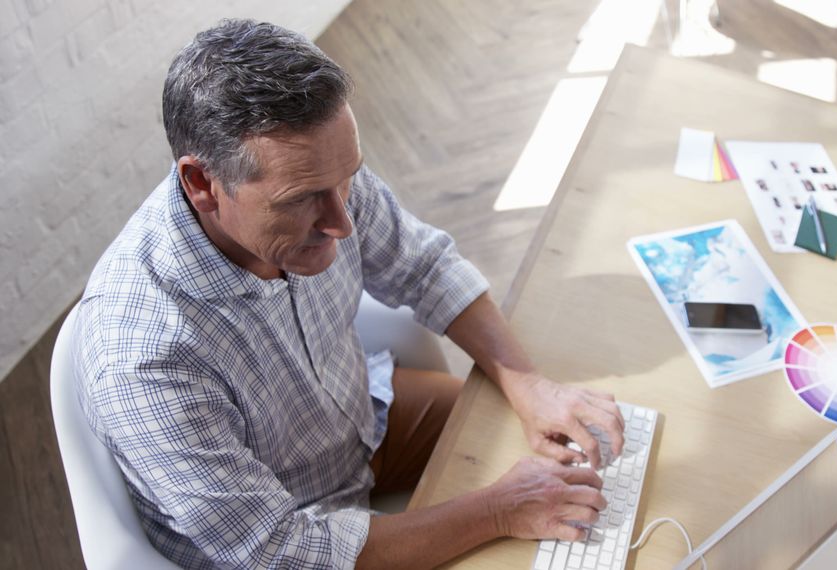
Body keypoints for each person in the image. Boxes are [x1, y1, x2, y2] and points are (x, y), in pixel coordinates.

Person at [74, 19, 624, 569]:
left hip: (365, 419)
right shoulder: (142, 356)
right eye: (303, 199)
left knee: (552, 442)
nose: (342, 221)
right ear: (202, 184)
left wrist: (531, 386)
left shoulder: (317, 172)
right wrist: (497, 511)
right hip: (295, 529)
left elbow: (425, 265)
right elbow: (282, 552)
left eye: (347, 181)